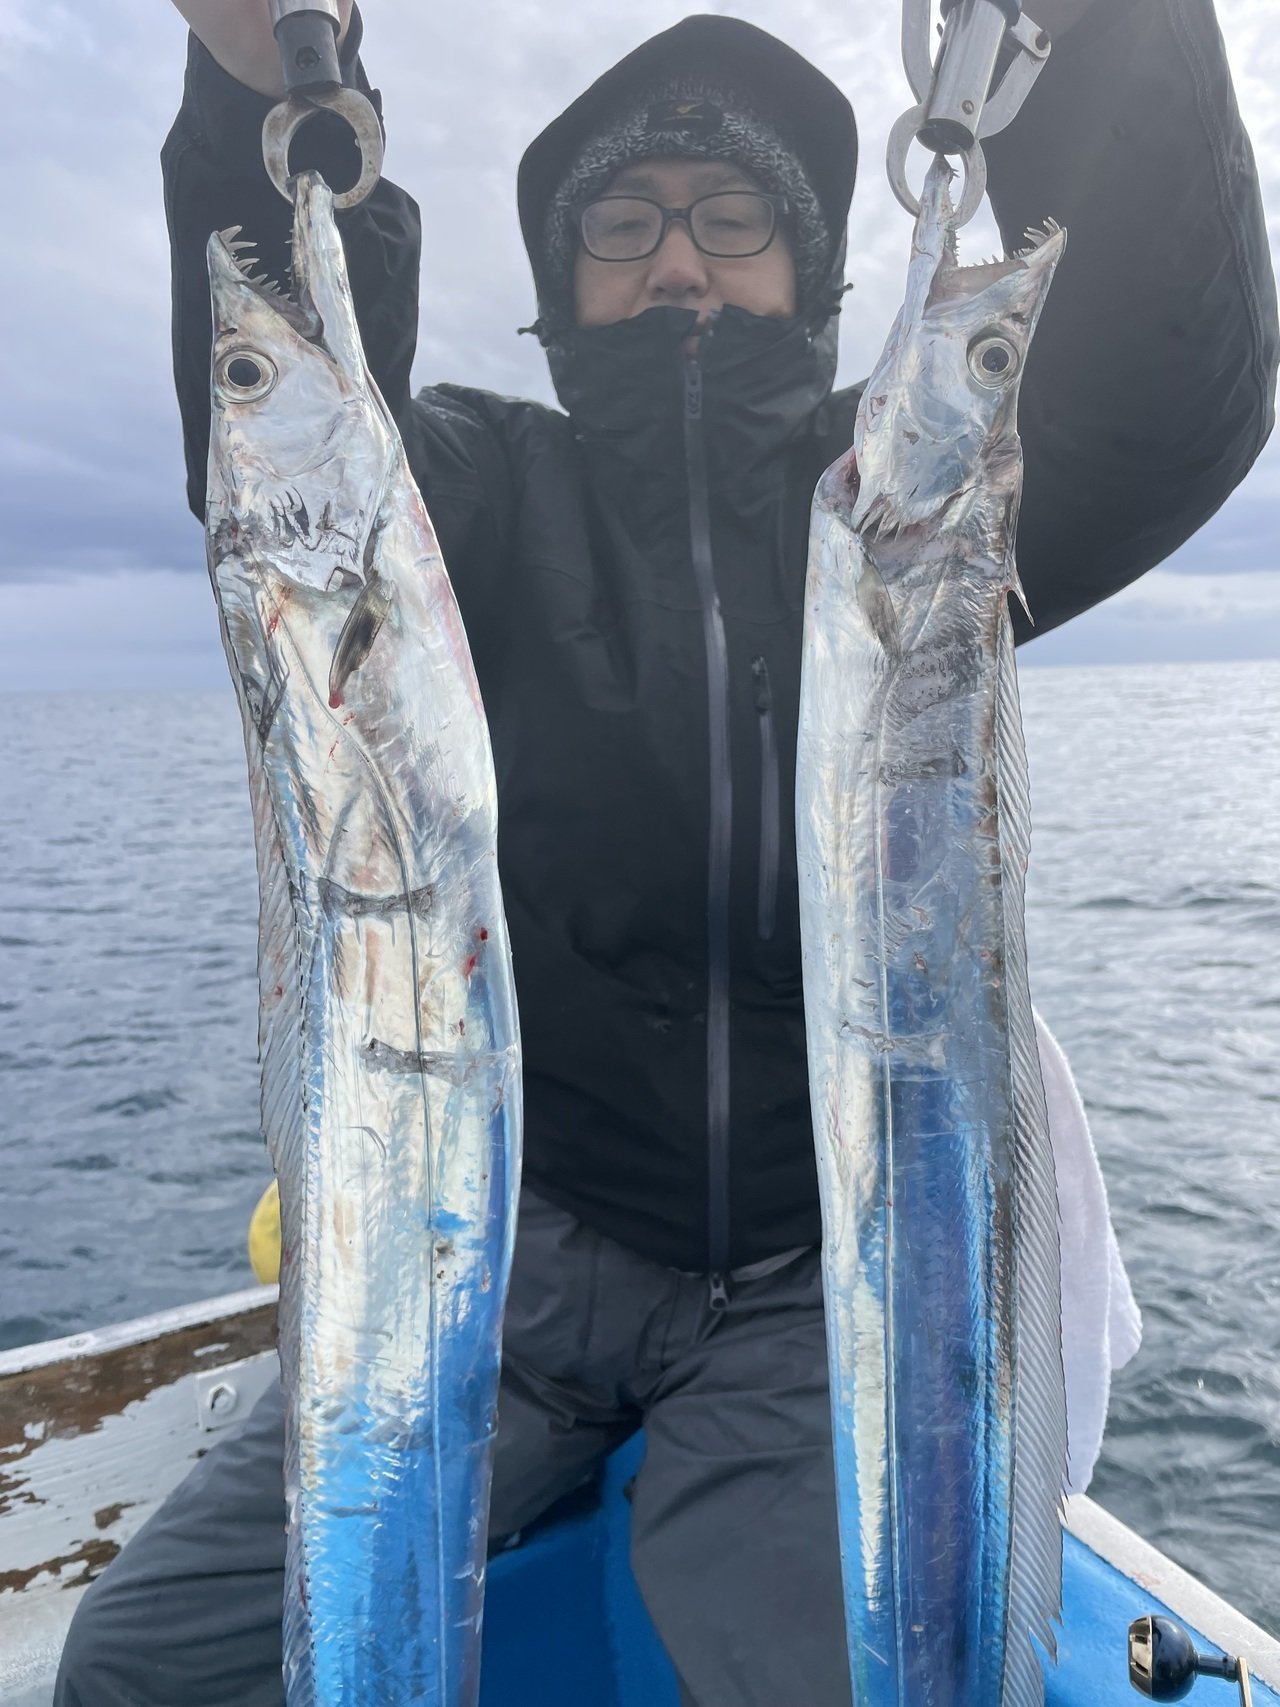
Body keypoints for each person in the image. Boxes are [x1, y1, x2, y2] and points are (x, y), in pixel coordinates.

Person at [56, 1, 1276, 1703]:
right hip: (509, 1260)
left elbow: (1166, 399)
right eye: (623, 225)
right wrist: (267, 88)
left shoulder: (905, 513)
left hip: (816, 1277)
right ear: (563, 291)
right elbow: (295, 458)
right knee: (139, 1664)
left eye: (733, 216)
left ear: (811, 274)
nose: (679, 257)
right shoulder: (480, 497)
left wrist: (1101, 33)